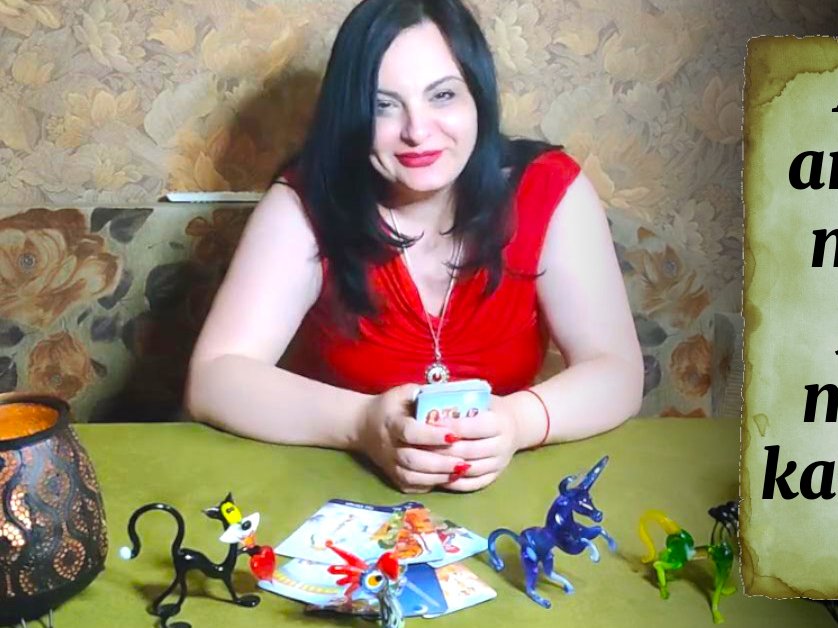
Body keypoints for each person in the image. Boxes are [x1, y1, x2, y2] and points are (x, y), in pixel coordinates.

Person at [185, 0, 643, 493]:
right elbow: (213, 379)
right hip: (331, 493)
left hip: (502, 496)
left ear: (478, 97)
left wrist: (518, 422)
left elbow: (616, 370)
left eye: (442, 95)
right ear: (351, 112)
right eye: (383, 105)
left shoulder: (550, 190)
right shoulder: (304, 203)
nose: (417, 131)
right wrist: (362, 424)